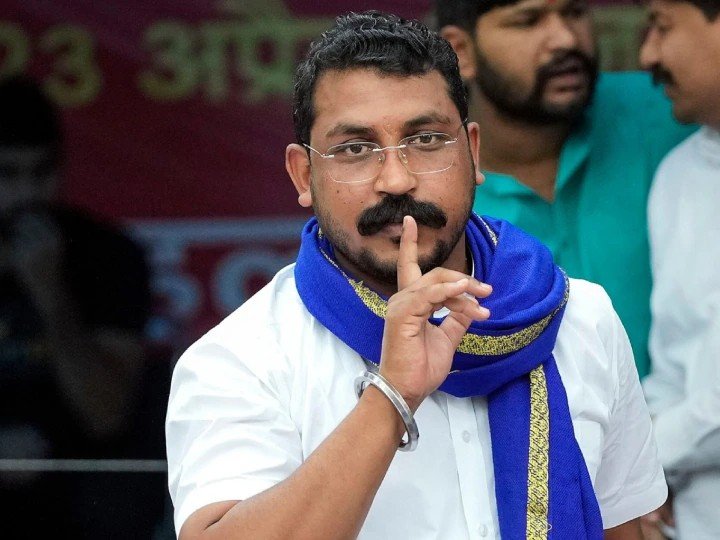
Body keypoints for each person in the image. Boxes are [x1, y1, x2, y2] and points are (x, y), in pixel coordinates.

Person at [166, 12, 666, 539]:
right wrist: (391, 396)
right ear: (304, 175)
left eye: (426, 140)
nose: (397, 180)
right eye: (355, 149)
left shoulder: (579, 317)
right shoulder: (242, 356)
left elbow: (622, 529)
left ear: (473, 152)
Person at [434, 0, 696, 379]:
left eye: (574, 13)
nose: (566, 39)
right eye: (528, 21)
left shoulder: (674, 112)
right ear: (461, 51)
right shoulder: (433, 199)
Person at [0, 76, 160, 537]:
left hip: (78, 498)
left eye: (42, 172)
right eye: (8, 174)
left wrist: (49, 292)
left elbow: (105, 413)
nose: (27, 193)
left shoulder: (108, 256)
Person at [637, 1, 720, 538]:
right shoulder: (681, 173)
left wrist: (638, 465)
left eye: (663, 26)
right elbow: (671, 363)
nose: (648, 55)